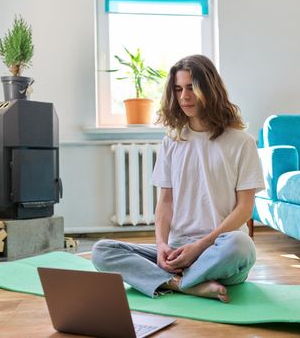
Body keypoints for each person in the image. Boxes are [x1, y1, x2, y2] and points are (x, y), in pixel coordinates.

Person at [91, 55, 265, 303]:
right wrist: (161, 245)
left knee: (241, 246)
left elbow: (245, 208)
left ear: (210, 89)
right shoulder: (171, 141)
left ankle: (168, 280)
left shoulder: (241, 142)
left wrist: (200, 247)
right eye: (178, 89)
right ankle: (183, 284)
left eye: (192, 87)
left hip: (219, 249)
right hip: (177, 251)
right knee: (102, 251)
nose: (184, 96)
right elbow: (166, 201)